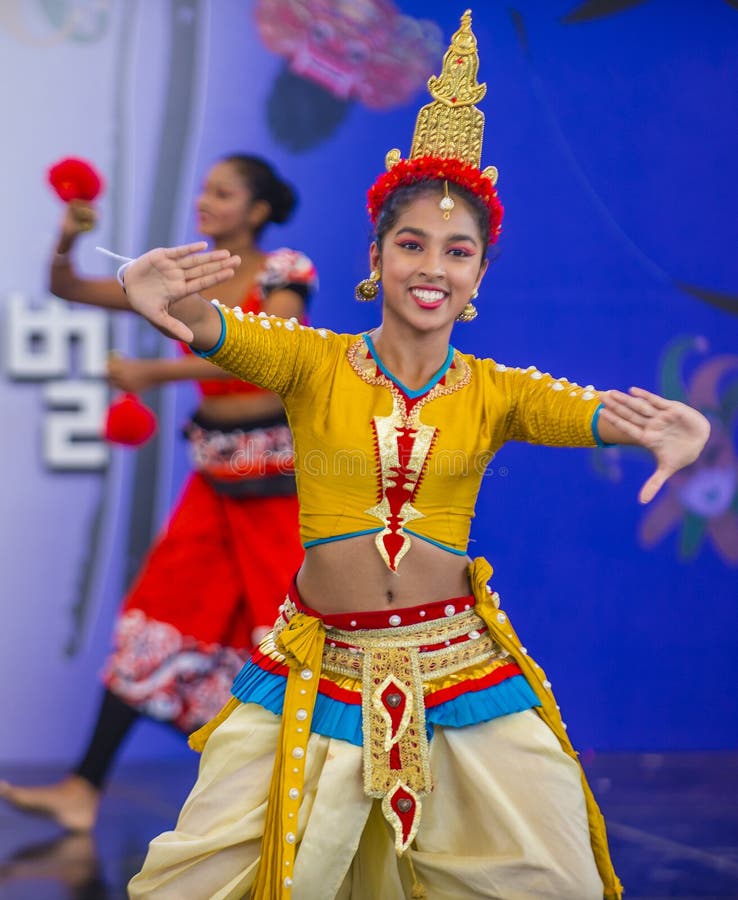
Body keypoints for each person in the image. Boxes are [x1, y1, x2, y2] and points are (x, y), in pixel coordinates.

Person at [120, 13, 708, 899]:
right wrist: (156, 296)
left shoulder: (500, 389)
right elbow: (217, 329)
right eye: (412, 244)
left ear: (479, 275)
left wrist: (679, 431)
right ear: (376, 257)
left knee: (553, 877)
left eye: (458, 250)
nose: (433, 266)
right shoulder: (311, 360)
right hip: (315, 675)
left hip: (462, 674)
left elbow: (606, 416)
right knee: (202, 883)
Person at [0, 154, 317, 832]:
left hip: (280, 494)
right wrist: (68, 233)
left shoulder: (283, 272)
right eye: (203, 188)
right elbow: (67, 288)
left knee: (290, 644)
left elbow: (278, 356)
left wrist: (153, 369)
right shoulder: (177, 280)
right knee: (153, 623)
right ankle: (83, 788)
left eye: (223, 192)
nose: (205, 200)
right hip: (214, 488)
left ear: (258, 211)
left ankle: (305, 808)